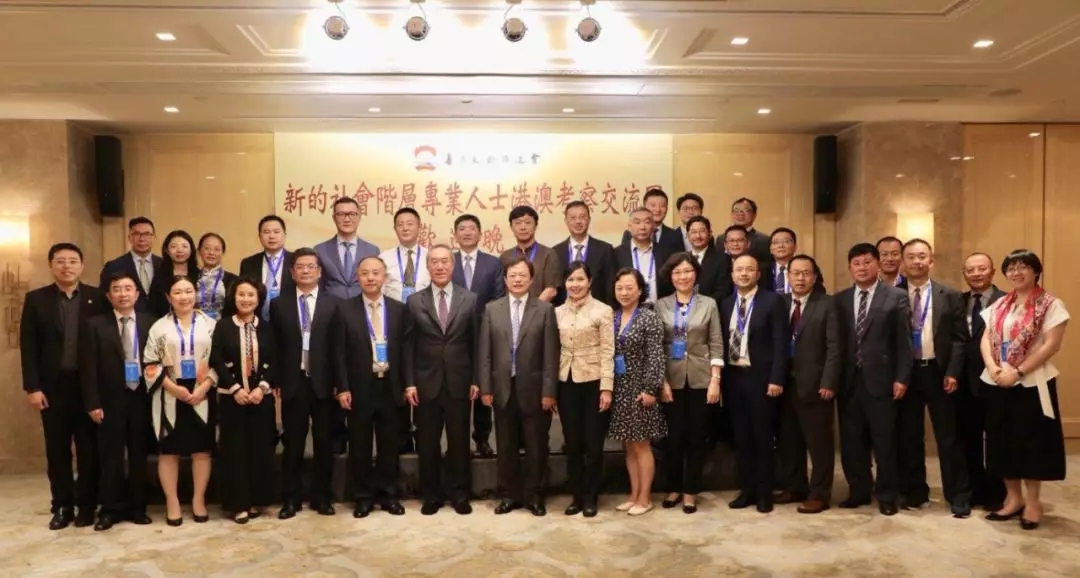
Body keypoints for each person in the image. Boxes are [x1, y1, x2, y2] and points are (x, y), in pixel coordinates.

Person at [980, 249, 1069, 531]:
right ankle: (1013, 498)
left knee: (1032, 444)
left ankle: (1032, 503)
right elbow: (985, 338)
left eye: (1023, 267)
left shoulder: (1050, 304)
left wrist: (1017, 372)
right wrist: (993, 368)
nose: (1016, 272)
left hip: (1032, 382)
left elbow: (1051, 345)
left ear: (1035, 271)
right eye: (1011, 268)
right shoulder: (1000, 304)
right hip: (998, 380)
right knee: (1001, 442)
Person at [21, 243, 102, 530]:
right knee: (57, 450)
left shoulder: (97, 297)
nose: (66, 266)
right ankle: (62, 505)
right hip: (52, 388)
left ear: (82, 265)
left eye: (72, 261)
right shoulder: (36, 299)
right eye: (60, 261)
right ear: (51, 265)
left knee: (89, 448)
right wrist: (32, 387)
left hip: (87, 386)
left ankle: (87, 505)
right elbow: (28, 346)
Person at [402, 244, 480, 516]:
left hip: (460, 381)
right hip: (425, 383)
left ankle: (460, 494)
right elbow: (408, 346)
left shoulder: (470, 299)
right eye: (434, 262)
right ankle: (431, 496)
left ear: (453, 265)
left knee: (459, 442)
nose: (440, 266)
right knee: (427, 443)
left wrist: (476, 379)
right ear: (427, 266)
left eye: (445, 261)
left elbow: (476, 343)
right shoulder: (414, 301)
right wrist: (410, 382)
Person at [479, 257, 560, 516]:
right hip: (502, 389)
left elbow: (551, 354)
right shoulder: (492, 309)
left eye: (522, 275)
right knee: (506, 447)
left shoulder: (544, 310)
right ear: (505, 279)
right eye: (512, 275)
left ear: (531, 279)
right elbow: (485, 353)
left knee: (536, 446)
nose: (517, 279)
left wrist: (549, 392)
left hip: (535, 391)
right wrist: (486, 388)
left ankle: (534, 496)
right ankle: (508, 495)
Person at [835, 243, 911, 516]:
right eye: (856, 263)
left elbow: (904, 341)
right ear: (850, 268)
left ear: (878, 265)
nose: (862, 267)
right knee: (852, 441)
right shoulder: (840, 299)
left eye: (867, 262)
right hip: (848, 382)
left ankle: (887, 495)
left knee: (885, 442)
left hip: (882, 380)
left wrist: (902, 377)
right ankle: (858, 491)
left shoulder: (896, 296)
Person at [896, 239, 971, 516]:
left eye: (922, 256)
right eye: (911, 257)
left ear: (931, 260)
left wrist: (952, 371)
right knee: (909, 436)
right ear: (903, 262)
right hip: (906, 374)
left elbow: (960, 339)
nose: (917, 261)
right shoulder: (892, 295)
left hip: (939, 372)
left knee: (949, 436)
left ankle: (958, 495)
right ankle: (915, 492)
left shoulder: (949, 295)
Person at [269, 247, 346, 519]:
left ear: (319, 271)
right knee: (293, 444)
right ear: (292, 272)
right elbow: (275, 347)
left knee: (324, 443)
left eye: (310, 266)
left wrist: (340, 383)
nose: (305, 271)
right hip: (293, 382)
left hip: (324, 384)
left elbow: (339, 349)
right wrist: (276, 380)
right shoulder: (279, 304)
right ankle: (291, 500)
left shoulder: (333, 303)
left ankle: (322, 497)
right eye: (300, 266)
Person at [79, 272, 155, 531]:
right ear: (109, 295)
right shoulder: (94, 325)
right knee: (110, 456)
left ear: (137, 294)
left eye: (128, 288)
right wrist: (92, 403)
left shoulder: (149, 323)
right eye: (117, 289)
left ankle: (138, 507)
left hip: (141, 399)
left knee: (138, 455)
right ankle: (109, 509)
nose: (123, 294)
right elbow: (88, 368)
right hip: (109, 401)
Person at [142, 275, 218, 526]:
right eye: (177, 292)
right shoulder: (159, 327)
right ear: (168, 297)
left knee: (201, 450)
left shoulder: (210, 324)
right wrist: (174, 389)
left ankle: (198, 499)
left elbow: (219, 359)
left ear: (195, 294)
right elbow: (150, 364)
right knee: (169, 451)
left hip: (202, 391)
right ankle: (172, 502)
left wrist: (205, 386)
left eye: (188, 291)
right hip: (169, 392)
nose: (184, 297)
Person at [337, 256, 407, 518]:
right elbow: (339, 353)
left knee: (390, 443)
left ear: (384, 277)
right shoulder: (345, 309)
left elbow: (407, 350)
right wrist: (343, 387)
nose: (370, 278)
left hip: (390, 384)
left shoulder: (399, 309)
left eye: (376, 273)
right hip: (359, 387)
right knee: (360, 444)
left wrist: (408, 384)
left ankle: (388, 494)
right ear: (357, 277)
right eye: (365, 273)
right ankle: (363, 496)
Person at [655, 253, 723, 514]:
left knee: (696, 438)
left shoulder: (709, 304)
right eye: (677, 272)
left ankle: (690, 491)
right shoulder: (660, 305)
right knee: (673, 438)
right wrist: (662, 382)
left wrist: (715, 380)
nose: (683, 277)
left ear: (695, 274)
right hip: (671, 380)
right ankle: (673, 487)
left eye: (687, 271)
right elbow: (657, 346)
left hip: (701, 378)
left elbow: (715, 342)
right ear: (670, 277)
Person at [720, 254, 789, 513]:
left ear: (758, 274)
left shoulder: (773, 301)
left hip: (761, 378)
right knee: (741, 438)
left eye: (750, 269)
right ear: (732, 275)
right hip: (734, 378)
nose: (744, 274)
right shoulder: (726, 304)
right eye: (739, 269)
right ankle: (746, 490)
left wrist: (776, 378)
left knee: (762, 437)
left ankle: (764, 493)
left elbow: (781, 343)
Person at [774, 255, 840, 514]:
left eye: (806, 273)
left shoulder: (827, 304)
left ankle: (820, 494)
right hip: (784, 384)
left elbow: (835, 347)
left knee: (819, 443)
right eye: (795, 273)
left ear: (814, 277)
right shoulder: (780, 303)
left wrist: (829, 382)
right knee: (789, 440)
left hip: (816, 384)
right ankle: (795, 487)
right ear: (788, 276)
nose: (800, 278)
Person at [210, 278, 277, 524]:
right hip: (233, 399)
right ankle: (238, 504)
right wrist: (235, 387)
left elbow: (276, 360)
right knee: (234, 452)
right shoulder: (223, 326)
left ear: (258, 299)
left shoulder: (267, 327)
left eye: (251, 295)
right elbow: (216, 359)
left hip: (261, 399)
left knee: (260, 450)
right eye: (241, 294)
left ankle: (257, 500)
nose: (246, 299)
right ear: (233, 297)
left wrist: (262, 387)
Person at [554, 261, 615, 518]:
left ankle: (591, 497)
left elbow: (608, 350)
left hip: (594, 383)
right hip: (566, 382)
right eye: (570, 280)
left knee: (593, 445)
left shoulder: (603, 310)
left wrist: (607, 388)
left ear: (589, 282)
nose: (575, 284)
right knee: (573, 443)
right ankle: (576, 496)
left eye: (580, 279)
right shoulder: (556, 312)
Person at [607, 268, 667, 516]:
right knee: (628, 446)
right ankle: (633, 494)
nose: (624, 292)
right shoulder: (613, 316)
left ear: (640, 290)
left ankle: (645, 498)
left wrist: (650, 388)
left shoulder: (648, 317)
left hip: (640, 388)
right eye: (619, 287)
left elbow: (656, 356)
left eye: (629, 288)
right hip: (619, 388)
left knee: (642, 445)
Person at [451, 214, 504, 458]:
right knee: (458, 387)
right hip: (454, 334)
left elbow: (497, 297)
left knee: (483, 383)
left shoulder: (493, 263)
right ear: (455, 234)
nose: (467, 233)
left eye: (471, 228)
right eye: (462, 229)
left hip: (484, 331)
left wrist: (484, 322)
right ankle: (459, 441)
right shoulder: (448, 262)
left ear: (480, 233)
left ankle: (482, 438)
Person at [958, 252, 1006, 511]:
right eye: (970, 270)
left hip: (996, 380)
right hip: (963, 382)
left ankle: (998, 493)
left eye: (981, 268)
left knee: (997, 439)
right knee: (969, 439)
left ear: (993, 271)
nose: (976, 274)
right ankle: (975, 491)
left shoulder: (1007, 301)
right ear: (964, 274)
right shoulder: (958, 300)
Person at [316, 196, 380, 301]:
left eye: (352, 214)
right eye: (341, 214)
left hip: (362, 306)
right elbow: (317, 285)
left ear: (359, 217)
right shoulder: (320, 250)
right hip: (331, 307)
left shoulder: (372, 250)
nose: (347, 219)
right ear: (334, 218)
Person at [553, 201, 616, 306]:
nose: (578, 221)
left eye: (582, 217)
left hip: (596, 311)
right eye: (573, 218)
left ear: (589, 219)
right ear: (566, 221)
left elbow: (610, 286)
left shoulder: (605, 250)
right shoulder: (555, 252)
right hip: (564, 311)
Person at [499, 206, 561, 302]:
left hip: (539, 309)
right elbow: (501, 290)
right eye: (518, 223)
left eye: (528, 222)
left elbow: (551, 289)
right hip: (510, 310)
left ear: (536, 225)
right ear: (511, 227)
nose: (523, 227)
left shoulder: (548, 254)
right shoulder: (505, 257)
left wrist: (533, 309)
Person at [99, 216, 160, 314]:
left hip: (161, 319)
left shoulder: (164, 264)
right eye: (137, 234)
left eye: (147, 234)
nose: (142, 239)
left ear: (154, 237)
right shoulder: (113, 266)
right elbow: (104, 299)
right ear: (129, 238)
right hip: (128, 319)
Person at [239, 215, 294, 321]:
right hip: (257, 321)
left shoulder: (296, 261)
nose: (271, 236)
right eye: (266, 232)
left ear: (284, 235)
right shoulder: (248, 263)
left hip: (288, 321)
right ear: (259, 237)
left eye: (276, 232)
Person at [615, 207, 675, 303]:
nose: (642, 227)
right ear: (629, 226)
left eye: (647, 222)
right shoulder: (616, 254)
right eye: (637, 222)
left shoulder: (667, 253)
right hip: (629, 308)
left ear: (654, 226)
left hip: (661, 308)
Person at [147, 230, 200, 317]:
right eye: (174, 246)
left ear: (191, 250)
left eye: (184, 246)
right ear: (167, 250)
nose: (179, 250)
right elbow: (153, 307)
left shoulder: (199, 275)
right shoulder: (159, 276)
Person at [620, 188, 684, 254]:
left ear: (667, 209)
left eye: (662, 206)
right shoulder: (629, 234)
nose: (658, 209)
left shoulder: (675, 235)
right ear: (644, 207)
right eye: (653, 205)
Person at [685, 216, 730, 301]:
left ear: (710, 233)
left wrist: (703, 305)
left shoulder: (723, 259)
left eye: (702, 231)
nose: (698, 236)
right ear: (687, 236)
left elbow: (723, 290)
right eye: (693, 232)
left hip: (711, 306)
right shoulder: (682, 259)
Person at [195, 232, 238, 320]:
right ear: (199, 251)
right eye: (207, 248)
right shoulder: (191, 278)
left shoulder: (234, 280)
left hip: (225, 326)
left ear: (223, 253)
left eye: (217, 249)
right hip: (196, 326)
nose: (211, 253)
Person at [729, 198, 771, 265]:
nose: (740, 213)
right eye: (736, 211)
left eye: (745, 210)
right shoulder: (721, 239)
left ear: (754, 215)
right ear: (731, 214)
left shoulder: (765, 240)